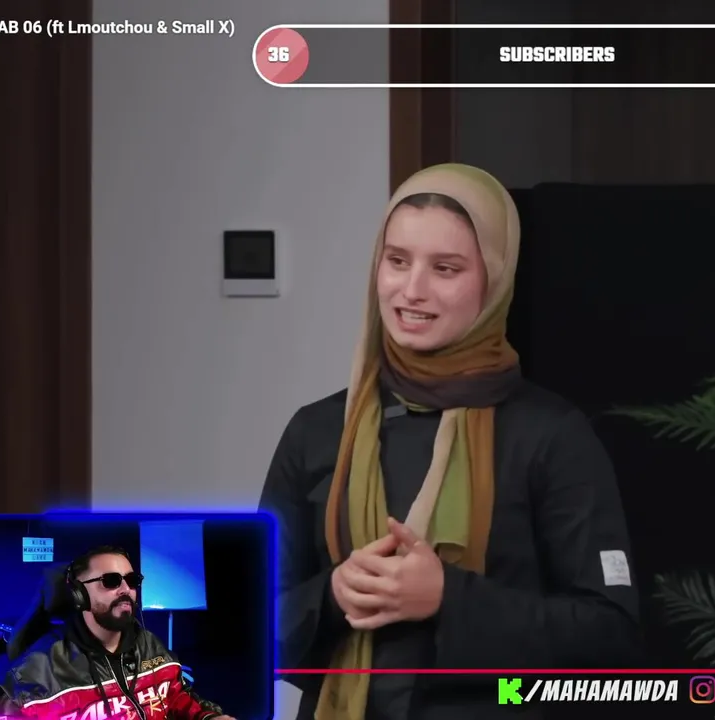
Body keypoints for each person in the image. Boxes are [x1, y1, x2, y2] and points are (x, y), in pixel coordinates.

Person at [260, 163, 641, 720]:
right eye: (397, 261)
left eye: (445, 268)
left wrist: (448, 598)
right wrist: (335, 595)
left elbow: (610, 638)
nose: (412, 290)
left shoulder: (550, 436)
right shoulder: (318, 431)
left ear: (494, 279)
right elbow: (250, 628)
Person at [0, 546, 232, 720]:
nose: (126, 589)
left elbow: (176, 696)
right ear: (78, 593)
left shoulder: (148, 644)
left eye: (131, 580)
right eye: (111, 581)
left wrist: (208, 716)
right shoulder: (36, 671)